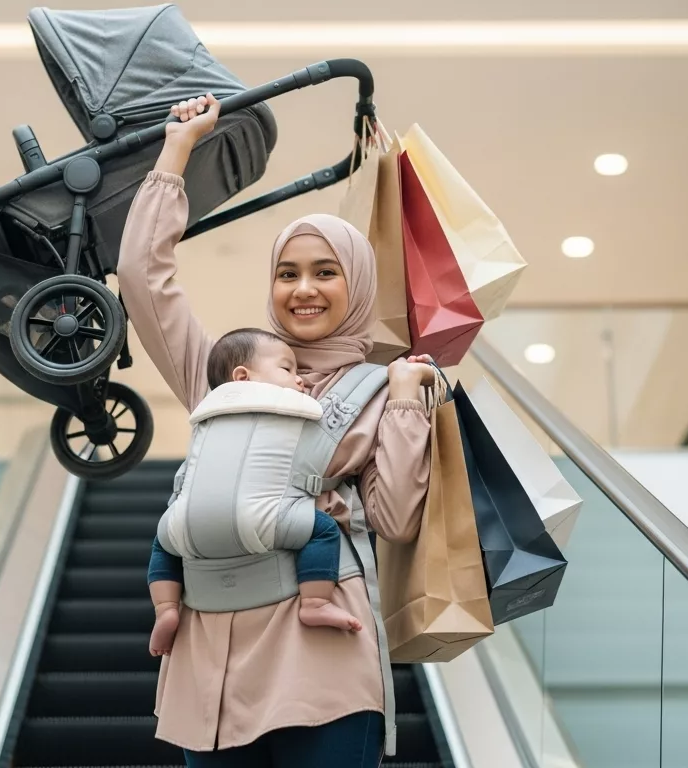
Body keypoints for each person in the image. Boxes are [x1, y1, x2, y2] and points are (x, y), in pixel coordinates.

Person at [117, 93, 434, 767]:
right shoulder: (228, 377)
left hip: (322, 657)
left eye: (327, 272)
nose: (304, 289)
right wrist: (176, 153)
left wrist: (406, 402)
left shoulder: (382, 388)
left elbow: (396, 519)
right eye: (288, 273)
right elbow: (145, 284)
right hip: (209, 663)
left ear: (360, 284)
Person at [147, 327, 364, 659]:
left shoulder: (206, 414)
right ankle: (315, 602)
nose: (300, 381)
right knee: (323, 530)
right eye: (287, 369)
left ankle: (165, 609)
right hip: (260, 520)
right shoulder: (293, 407)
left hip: (185, 524)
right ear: (243, 377)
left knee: (162, 543)